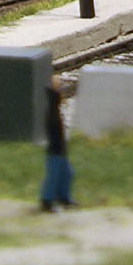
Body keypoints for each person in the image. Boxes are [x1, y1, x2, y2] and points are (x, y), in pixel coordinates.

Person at [40, 73, 75, 213]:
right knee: (53, 176)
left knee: (67, 173)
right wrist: (55, 88)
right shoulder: (52, 109)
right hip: (55, 149)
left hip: (60, 148)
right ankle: (47, 201)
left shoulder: (54, 109)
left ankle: (63, 197)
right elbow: (54, 96)